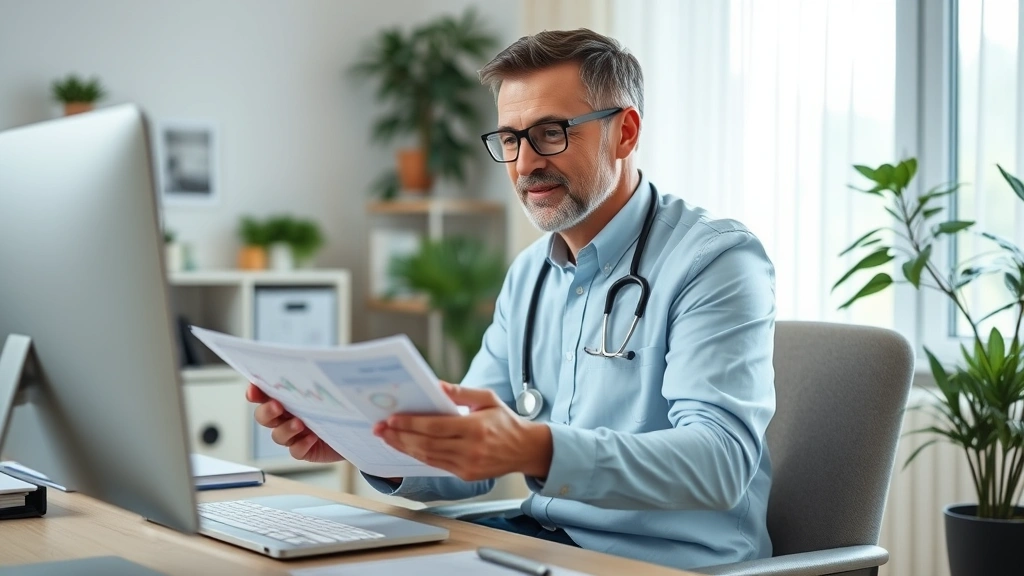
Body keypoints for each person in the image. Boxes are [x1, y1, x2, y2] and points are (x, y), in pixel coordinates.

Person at [246, 28, 776, 571]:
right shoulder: (530, 274)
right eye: (510, 139)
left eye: (550, 133)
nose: (524, 165)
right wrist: (363, 438)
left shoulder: (715, 261)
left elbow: (721, 462)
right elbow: (469, 453)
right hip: (542, 544)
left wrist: (535, 447)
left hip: (663, 563)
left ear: (625, 132)